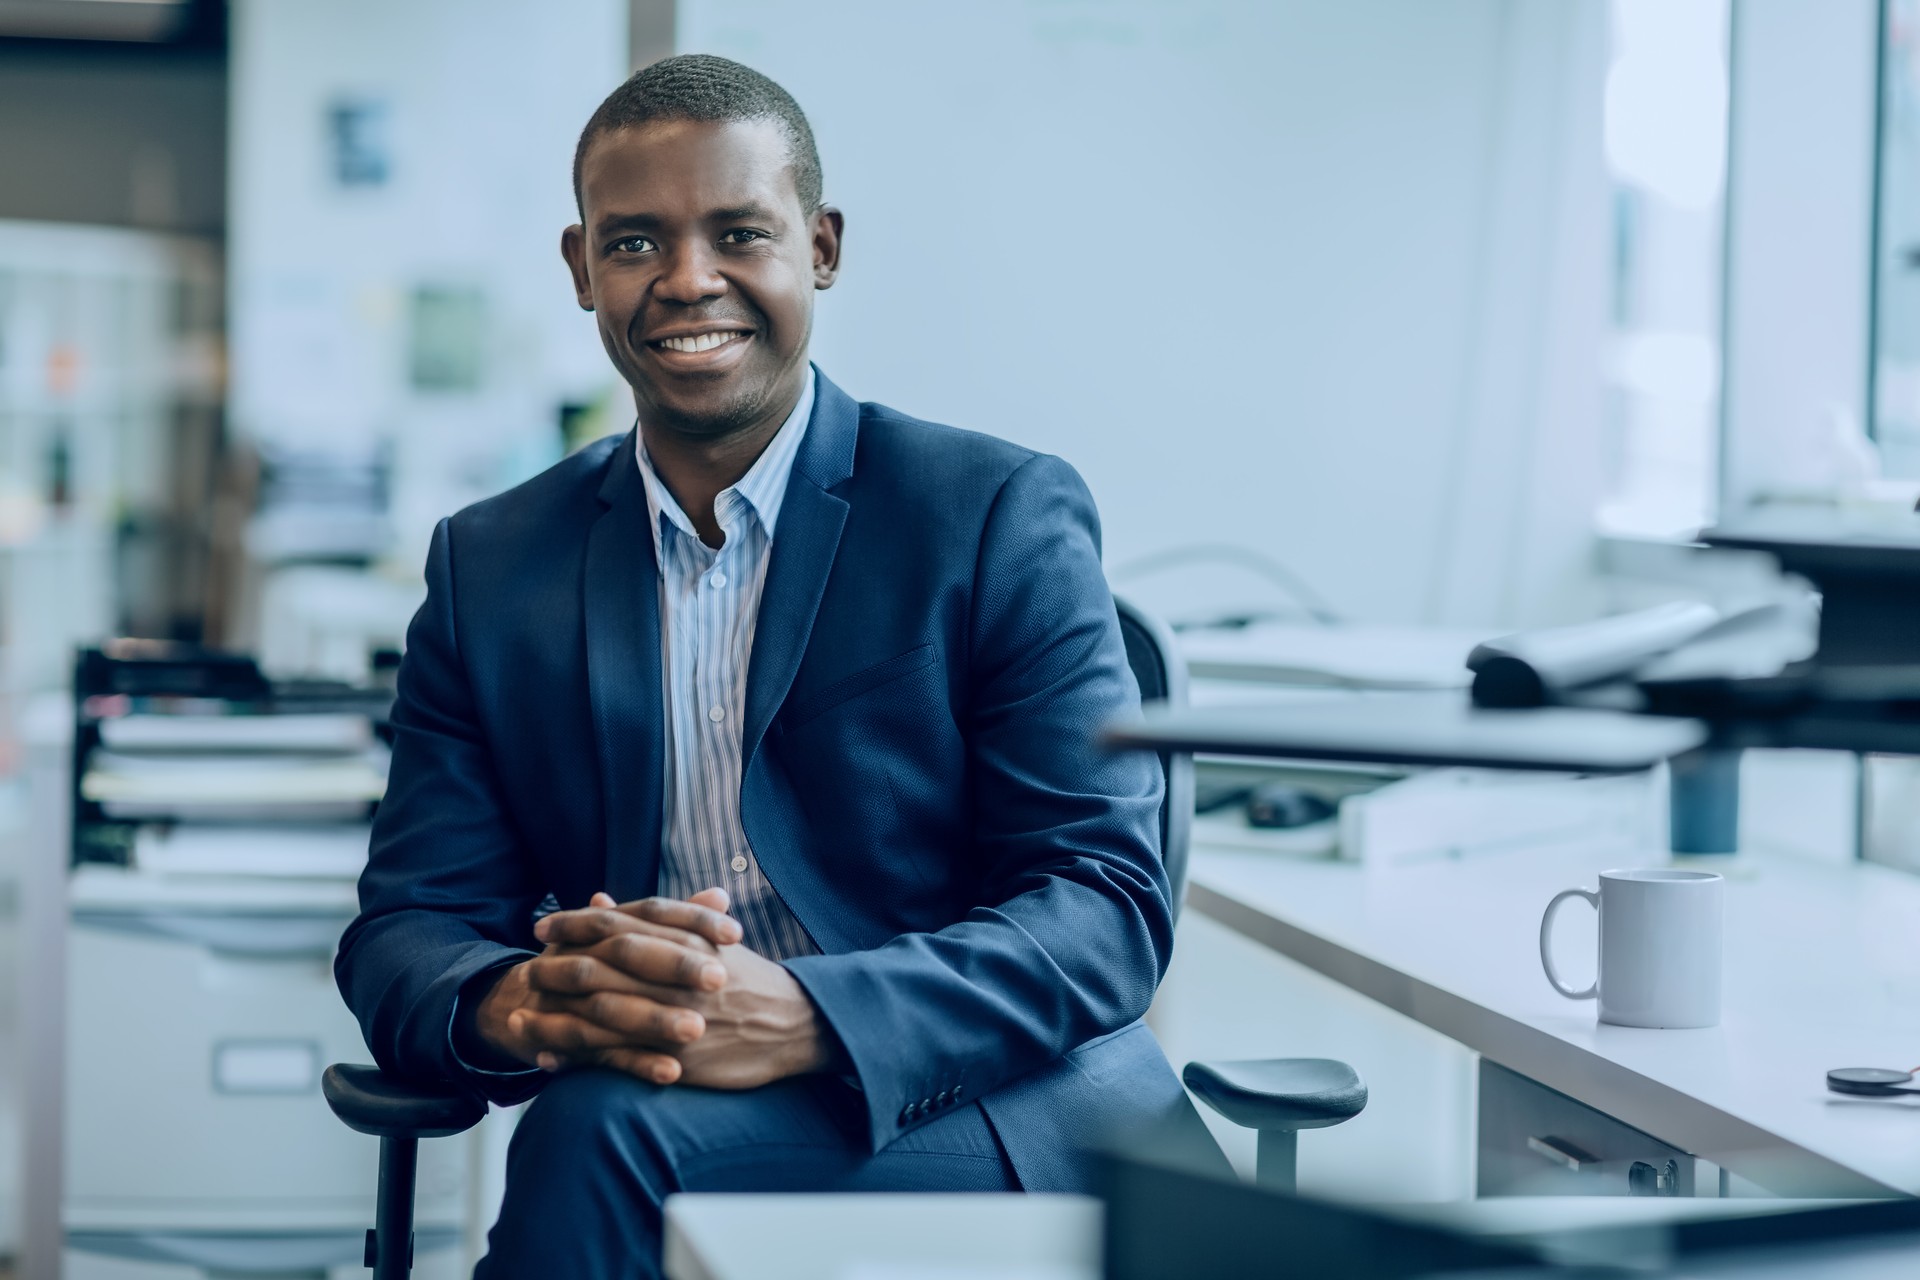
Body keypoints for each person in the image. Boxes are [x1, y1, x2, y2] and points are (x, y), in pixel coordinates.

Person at [334, 53, 1208, 1279]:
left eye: (739, 231)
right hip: (675, 1093)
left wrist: (807, 1013)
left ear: (823, 247)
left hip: (993, 1099)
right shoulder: (492, 565)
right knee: (599, 1121)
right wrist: (518, 1000)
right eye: (636, 242)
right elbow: (410, 923)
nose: (689, 280)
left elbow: (1104, 903)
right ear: (582, 268)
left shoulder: (995, 510)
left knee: (595, 1137)